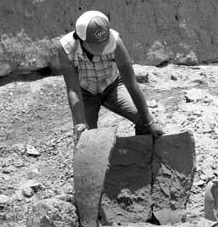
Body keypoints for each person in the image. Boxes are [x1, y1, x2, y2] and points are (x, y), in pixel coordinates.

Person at [58, 10, 164, 145]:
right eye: (96, 46)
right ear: (81, 39)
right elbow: (73, 90)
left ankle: (143, 154)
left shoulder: (116, 42)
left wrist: (149, 121)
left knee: (142, 118)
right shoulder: (66, 48)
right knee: (86, 138)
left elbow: (131, 84)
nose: (102, 50)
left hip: (113, 86)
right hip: (85, 92)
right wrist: (80, 124)